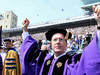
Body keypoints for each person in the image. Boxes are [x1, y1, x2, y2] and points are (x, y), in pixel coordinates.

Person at [20, 5, 100, 75]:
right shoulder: (44, 60)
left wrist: (99, 24)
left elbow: (91, 57)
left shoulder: (73, 61)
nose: (58, 42)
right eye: (55, 40)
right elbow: (30, 52)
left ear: (66, 44)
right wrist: (25, 30)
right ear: (51, 44)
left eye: (61, 40)